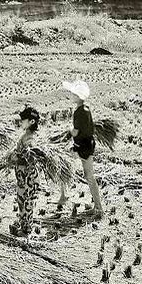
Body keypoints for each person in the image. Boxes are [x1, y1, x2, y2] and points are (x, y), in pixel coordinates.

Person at [63, 80, 104, 218]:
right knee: (87, 175)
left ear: (78, 96)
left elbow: (75, 132)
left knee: (89, 176)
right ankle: (63, 196)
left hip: (84, 146)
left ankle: (99, 208)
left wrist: (68, 130)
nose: (71, 95)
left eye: (73, 94)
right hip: (84, 145)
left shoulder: (80, 112)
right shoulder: (85, 109)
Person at [12, 106, 42, 236]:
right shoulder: (25, 135)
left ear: (32, 122)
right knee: (21, 201)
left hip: (29, 177)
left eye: (23, 120)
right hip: (21, 176)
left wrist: (18, 156)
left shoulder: (32, 138)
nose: (21, 122)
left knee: (28, 202)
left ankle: (27, 230)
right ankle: (23, 226)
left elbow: (31, 157)